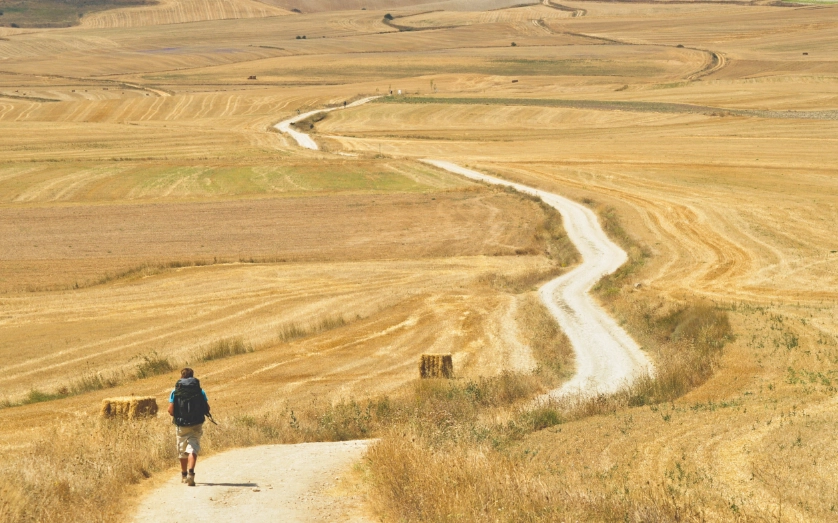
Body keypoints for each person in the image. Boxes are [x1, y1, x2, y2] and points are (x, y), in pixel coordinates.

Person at [167, 368, 210, 486]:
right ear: (192, 376)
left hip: (181, 425)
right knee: (193, 448)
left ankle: (184, 475)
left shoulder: (175, 391)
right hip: (196, 424)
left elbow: (170, 410)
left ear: (181, 377)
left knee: (182, 450)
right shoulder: (199, 391)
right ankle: (191, 473)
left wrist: (179, 415)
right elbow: (207, 408)